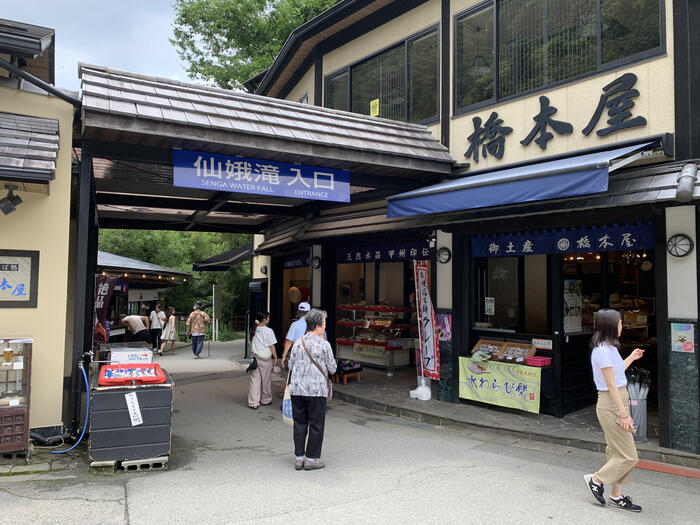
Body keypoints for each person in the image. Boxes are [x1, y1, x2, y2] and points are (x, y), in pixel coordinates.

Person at [584, 309, 645, 512]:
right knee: (629, 456)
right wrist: (624, 414)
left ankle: (616, 495)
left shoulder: (609, 348)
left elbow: (617, 373)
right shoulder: (601, 351)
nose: (622, 326)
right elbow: (610, 385)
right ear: (611, 326)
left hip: (616, 400)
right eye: (619, 323)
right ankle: (596, 479)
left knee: (616, 451)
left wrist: (631, 358)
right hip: (612, 404)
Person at [288, 308, 336, 471]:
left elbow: (290, 365)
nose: (324, 326)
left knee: (299, 423)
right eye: (323, 324)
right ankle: (311, 458)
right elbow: (333, 368)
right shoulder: (324, 345)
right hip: (316, 390)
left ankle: (299, 458)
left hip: (297, 389)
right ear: (317, 326)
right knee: (316, 424)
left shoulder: (298, 343)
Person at [247, 311, 278, 409]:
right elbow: (271, 346)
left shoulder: (253, 329)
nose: (269, 319)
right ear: (264, 319)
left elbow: (251, 342)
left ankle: (253, 402)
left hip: (254, 357)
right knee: (266, 380)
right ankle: (266, 400)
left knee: (254, 380)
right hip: (265, 358)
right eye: (268, 318)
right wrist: (276, 357)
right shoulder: (268, 331)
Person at [281, 302, 311, 368]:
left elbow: (289, 342)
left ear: (298, 313)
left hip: (298, 356)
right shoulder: (317, 324)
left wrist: (284, 356)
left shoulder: (294, 324)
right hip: (313, 357)